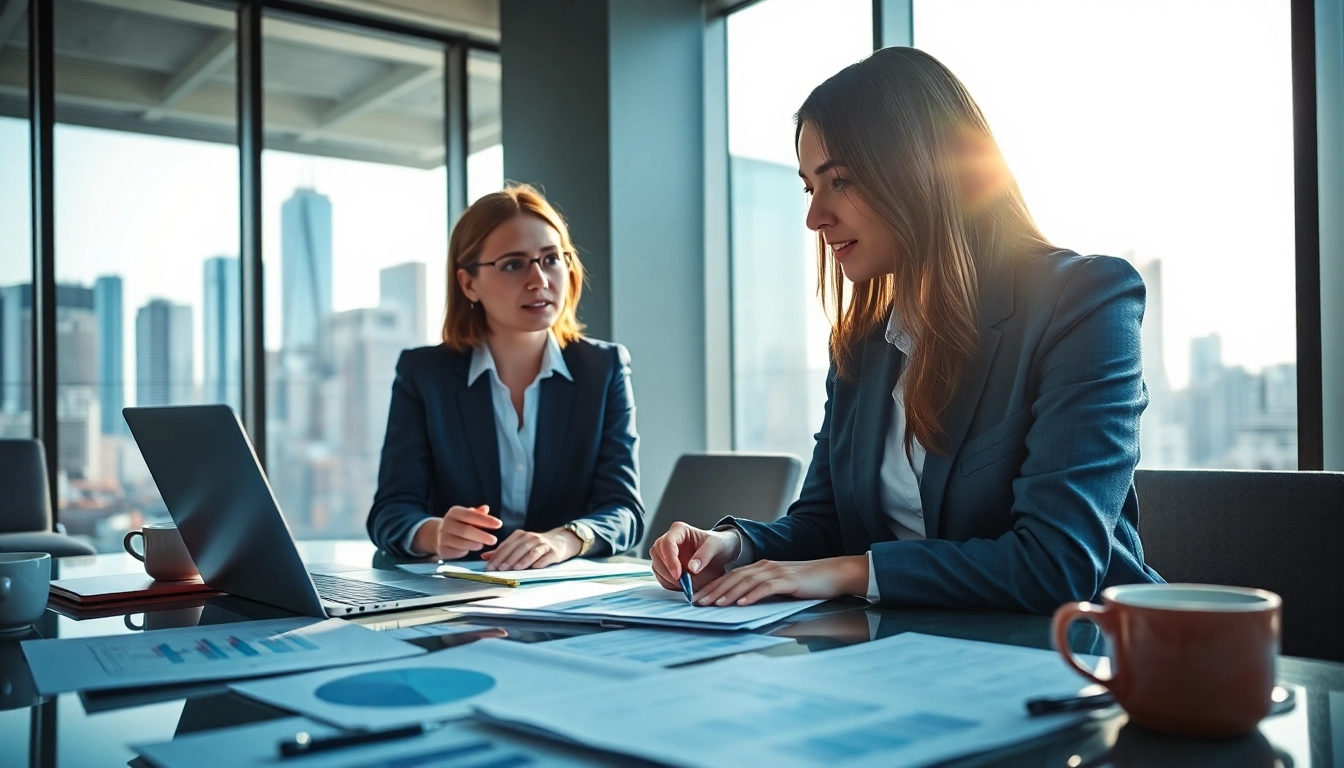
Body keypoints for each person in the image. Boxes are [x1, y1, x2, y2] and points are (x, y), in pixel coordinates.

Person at [651, 47, 1163, 615]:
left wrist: (852, 571)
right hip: (911, 651)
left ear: (920, 172)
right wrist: (733, 545)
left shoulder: (1083, 301)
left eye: (839, 180)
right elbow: (824, 524)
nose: (814, 216)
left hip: (1076, 660)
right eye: (808, 187)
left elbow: (1056, 565)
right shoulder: (861, 345)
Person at [368, 184, 645, 570]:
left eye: (551, 259)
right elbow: (391, 511)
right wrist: (435, 533)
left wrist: (565, 540)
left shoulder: (604, 369)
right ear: (469, 284)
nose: (540, 280)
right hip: (456, 597)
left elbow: (625, 510)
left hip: (565, 596)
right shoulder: (425, 374)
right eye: (514, 264)